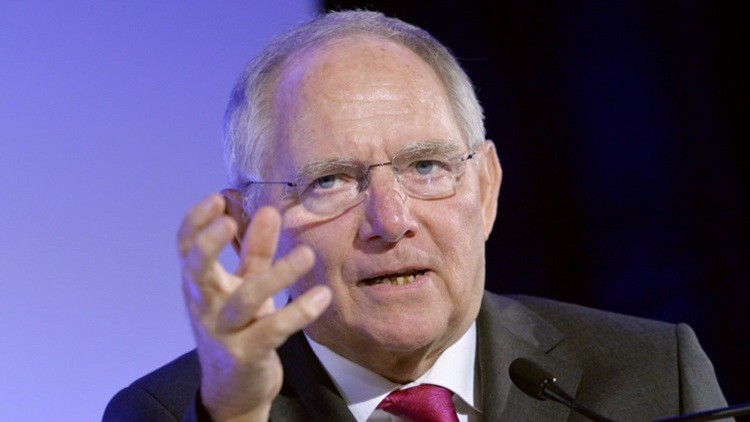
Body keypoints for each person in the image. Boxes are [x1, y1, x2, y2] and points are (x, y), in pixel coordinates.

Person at [103, 9, 729, 422]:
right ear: (245, 230)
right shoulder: (172, 411)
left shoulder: (654, 374)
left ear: (486, 188)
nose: (391, 219)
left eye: (426, 166)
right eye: (330, 180)